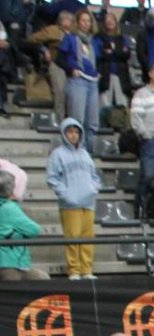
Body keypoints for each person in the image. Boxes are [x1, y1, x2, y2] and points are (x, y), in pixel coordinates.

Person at [47, 118, 100, 281]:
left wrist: (94, 189)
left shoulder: (85, 154)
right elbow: (52, 178)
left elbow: (95, 176)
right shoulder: (57, 154)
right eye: (70, 131)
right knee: (72, 238)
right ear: (63, 133)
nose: (74, 135)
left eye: (76, 131)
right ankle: (74, 270)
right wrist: (65, 195)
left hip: (88, 202)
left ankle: (86, 269)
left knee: (87, 238)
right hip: (70, 204)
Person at [58, 7, 100, 152]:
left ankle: (90, 155)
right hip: (78, 81)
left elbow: (100, 59)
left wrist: (98, 72)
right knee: (78, 120)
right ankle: (76, 152)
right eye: (83, 20)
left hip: (93, 82)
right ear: (77, 22)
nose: (86, 23)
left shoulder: (93, 41)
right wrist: (71, 69)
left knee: (93, 123)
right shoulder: (70, 38)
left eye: (89, 21)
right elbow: (59, 58)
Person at [0, 169, 48, 281]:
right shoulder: (9, 208)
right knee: (40, 280)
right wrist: (16, 236)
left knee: (41, 276)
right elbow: (34, 230)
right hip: (8, 263)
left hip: (12, 263)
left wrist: (11, 234)